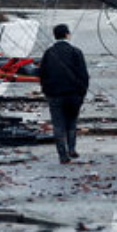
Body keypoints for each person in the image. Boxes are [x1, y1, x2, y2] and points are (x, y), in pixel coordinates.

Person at [39, 24, 90, 164]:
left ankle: (62, 155)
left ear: (55, 36)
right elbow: (84, 76)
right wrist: (82, 94)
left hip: (54, 95)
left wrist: (47, 91)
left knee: (58, 125)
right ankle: (72, 149)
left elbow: (42, 74)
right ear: (67, 34)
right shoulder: (76, 52)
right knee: (71, 122)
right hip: (73, 94)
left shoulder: (49, 53)